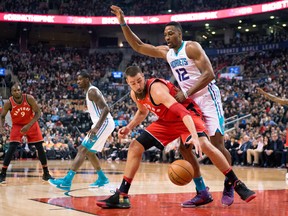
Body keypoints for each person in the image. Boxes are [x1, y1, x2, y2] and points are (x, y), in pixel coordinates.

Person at [111, 5, 234, 206]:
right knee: (185, 148)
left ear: (180, 33)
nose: (167, 37)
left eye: (170, 33)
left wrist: (185, 92)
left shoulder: (191, 47)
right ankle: (202, 191)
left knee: (215, 144)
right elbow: (139, 46)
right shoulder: (167, 53)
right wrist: (123, 22)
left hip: (206, 97)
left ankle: (230, 183)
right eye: (165, 34)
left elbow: (210, 74)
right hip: (188, 101)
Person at [96, 66, 255, 209]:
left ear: (144, 77)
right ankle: (122, 196)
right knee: (135, 146)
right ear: (128, 83)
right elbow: (143, 112)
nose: (138, 85)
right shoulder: (135, 94)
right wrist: (129, 127)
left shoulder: (156, 90)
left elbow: (183, 113)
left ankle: (237, 184)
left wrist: (194, 135)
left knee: (203, 144)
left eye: (139, 81)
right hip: (167, 121)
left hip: (187, 115)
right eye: (133, 83)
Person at [48, 71, 115, 191]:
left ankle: (66, 181)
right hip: (102, 124)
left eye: (80, 79)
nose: (78, 82)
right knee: (89, 152)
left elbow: (106, 109)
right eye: (77, 80)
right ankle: (102, 179)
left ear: (87, 79)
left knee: (82, 149)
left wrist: (96, 127)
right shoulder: (89, 92)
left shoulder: (92, 91)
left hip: (104, 123)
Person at [0, 82, 53, 184]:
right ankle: (2, 174)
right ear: (11, 92)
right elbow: (2, 116)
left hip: (31, 123)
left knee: (40, 147)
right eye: (15, 90)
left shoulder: (29, 98)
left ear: (21, 91)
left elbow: (38, 113)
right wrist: (1, 127)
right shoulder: (9, 103)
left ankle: (46, 173)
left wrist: (29, 125)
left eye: (18, 90)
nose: (17, 92)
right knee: (11, 148)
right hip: (17, 125)